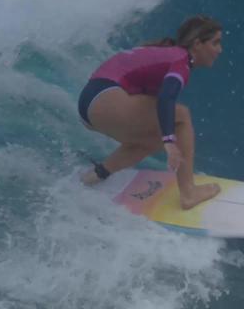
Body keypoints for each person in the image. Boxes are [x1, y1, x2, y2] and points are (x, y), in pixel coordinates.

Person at [77, 15, 223, 210]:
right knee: (182, 116)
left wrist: (163, 137)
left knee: (151, 139)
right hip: (106, 97)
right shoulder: (181, 60)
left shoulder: (163, 54)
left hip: (91, 103)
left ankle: (95, 176)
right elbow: (166, 98)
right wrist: (169, 142)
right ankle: (188, 192)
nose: (219, 50)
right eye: (215, 43)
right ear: (197, 44)